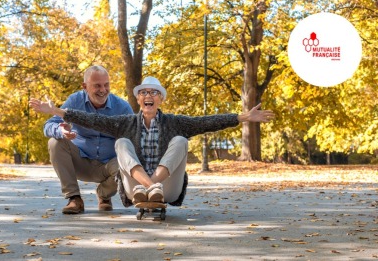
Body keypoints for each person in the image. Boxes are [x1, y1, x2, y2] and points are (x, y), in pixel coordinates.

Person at [30, 76, 274, 207]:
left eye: (154, 93)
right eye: (144, 93)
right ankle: (147, 186)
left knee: (180, 140)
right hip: (134, 188)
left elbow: (207, 121)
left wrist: (243, 117)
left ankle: (153, 185)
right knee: (122, 143)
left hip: (167, 187)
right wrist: (59, 111)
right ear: (138, 100)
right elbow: (88, 119)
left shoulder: (175, 122)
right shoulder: (125, 122)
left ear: (161, 100)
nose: (149, 96)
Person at [42, 65, 133, 214]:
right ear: (85, 86)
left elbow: (133, 138)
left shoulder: (122, 107)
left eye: (106, 85)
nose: (103, 90)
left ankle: (104, 195)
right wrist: (61, 130)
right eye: (97, 85)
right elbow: (48, 125)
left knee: (129, 164)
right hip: (80, 161)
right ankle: (74, 199)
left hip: (110, 164)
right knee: (55, 142)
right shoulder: (75, 101)